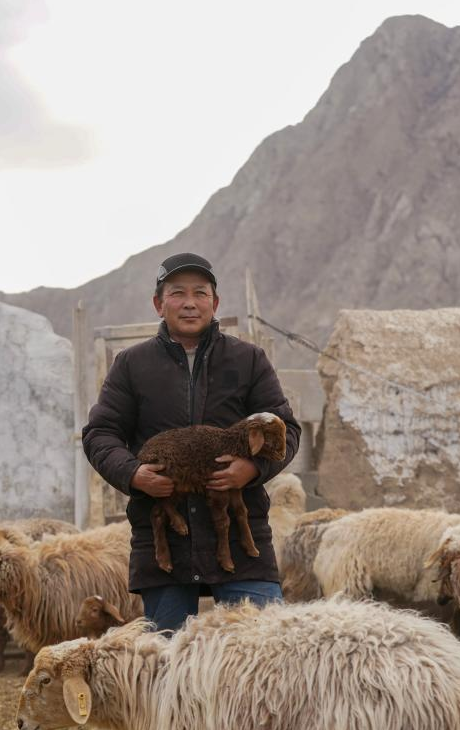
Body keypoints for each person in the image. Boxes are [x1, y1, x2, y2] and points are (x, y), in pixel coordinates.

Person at [82, 252, 301, 632]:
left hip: (240, 538)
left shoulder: (248, 360)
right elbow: (100, 433)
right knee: (167, 655)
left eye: (200, 293)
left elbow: (286, 430)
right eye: (177, 293)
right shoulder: (131, 365)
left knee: (265, 648)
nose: (189, 303)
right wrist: (133, 474)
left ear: (215, 303)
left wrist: (253, 468)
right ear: (158, 303)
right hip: (165, 543)